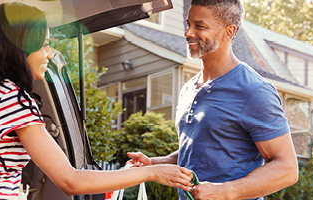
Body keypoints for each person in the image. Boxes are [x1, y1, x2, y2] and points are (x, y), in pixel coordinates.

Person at [0, 2, 193, 199]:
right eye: (45, 44)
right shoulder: (12, 98)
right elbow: (70, 180)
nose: (49, 53)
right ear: (20, 47)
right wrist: (152, 173)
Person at [127, 0, 298, 199]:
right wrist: (153, 164)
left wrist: (225, 191)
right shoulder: (189, 89)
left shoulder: (254, 91)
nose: (188, 33)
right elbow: (199, 151)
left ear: (229, 32)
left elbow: (287, 168)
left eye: (199, 26)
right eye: (188, 24)